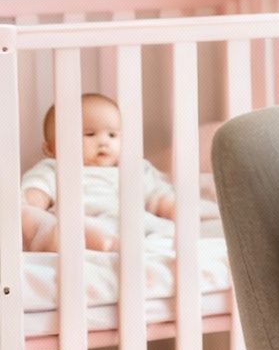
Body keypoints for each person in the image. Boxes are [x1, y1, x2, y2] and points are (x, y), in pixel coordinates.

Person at [20, 93, 180, 253]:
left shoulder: (133, 168)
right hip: (84, 219)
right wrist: (31, 203)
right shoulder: (55, 168)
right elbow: (37, 191)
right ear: (51, 148)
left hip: (128, 220)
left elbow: (156, 196)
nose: (104, 142)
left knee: (165, 229)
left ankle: (140, 247)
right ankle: (101, 242)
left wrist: (171, 206)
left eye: (112, 135)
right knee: (63, 228)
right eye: (90, 134)